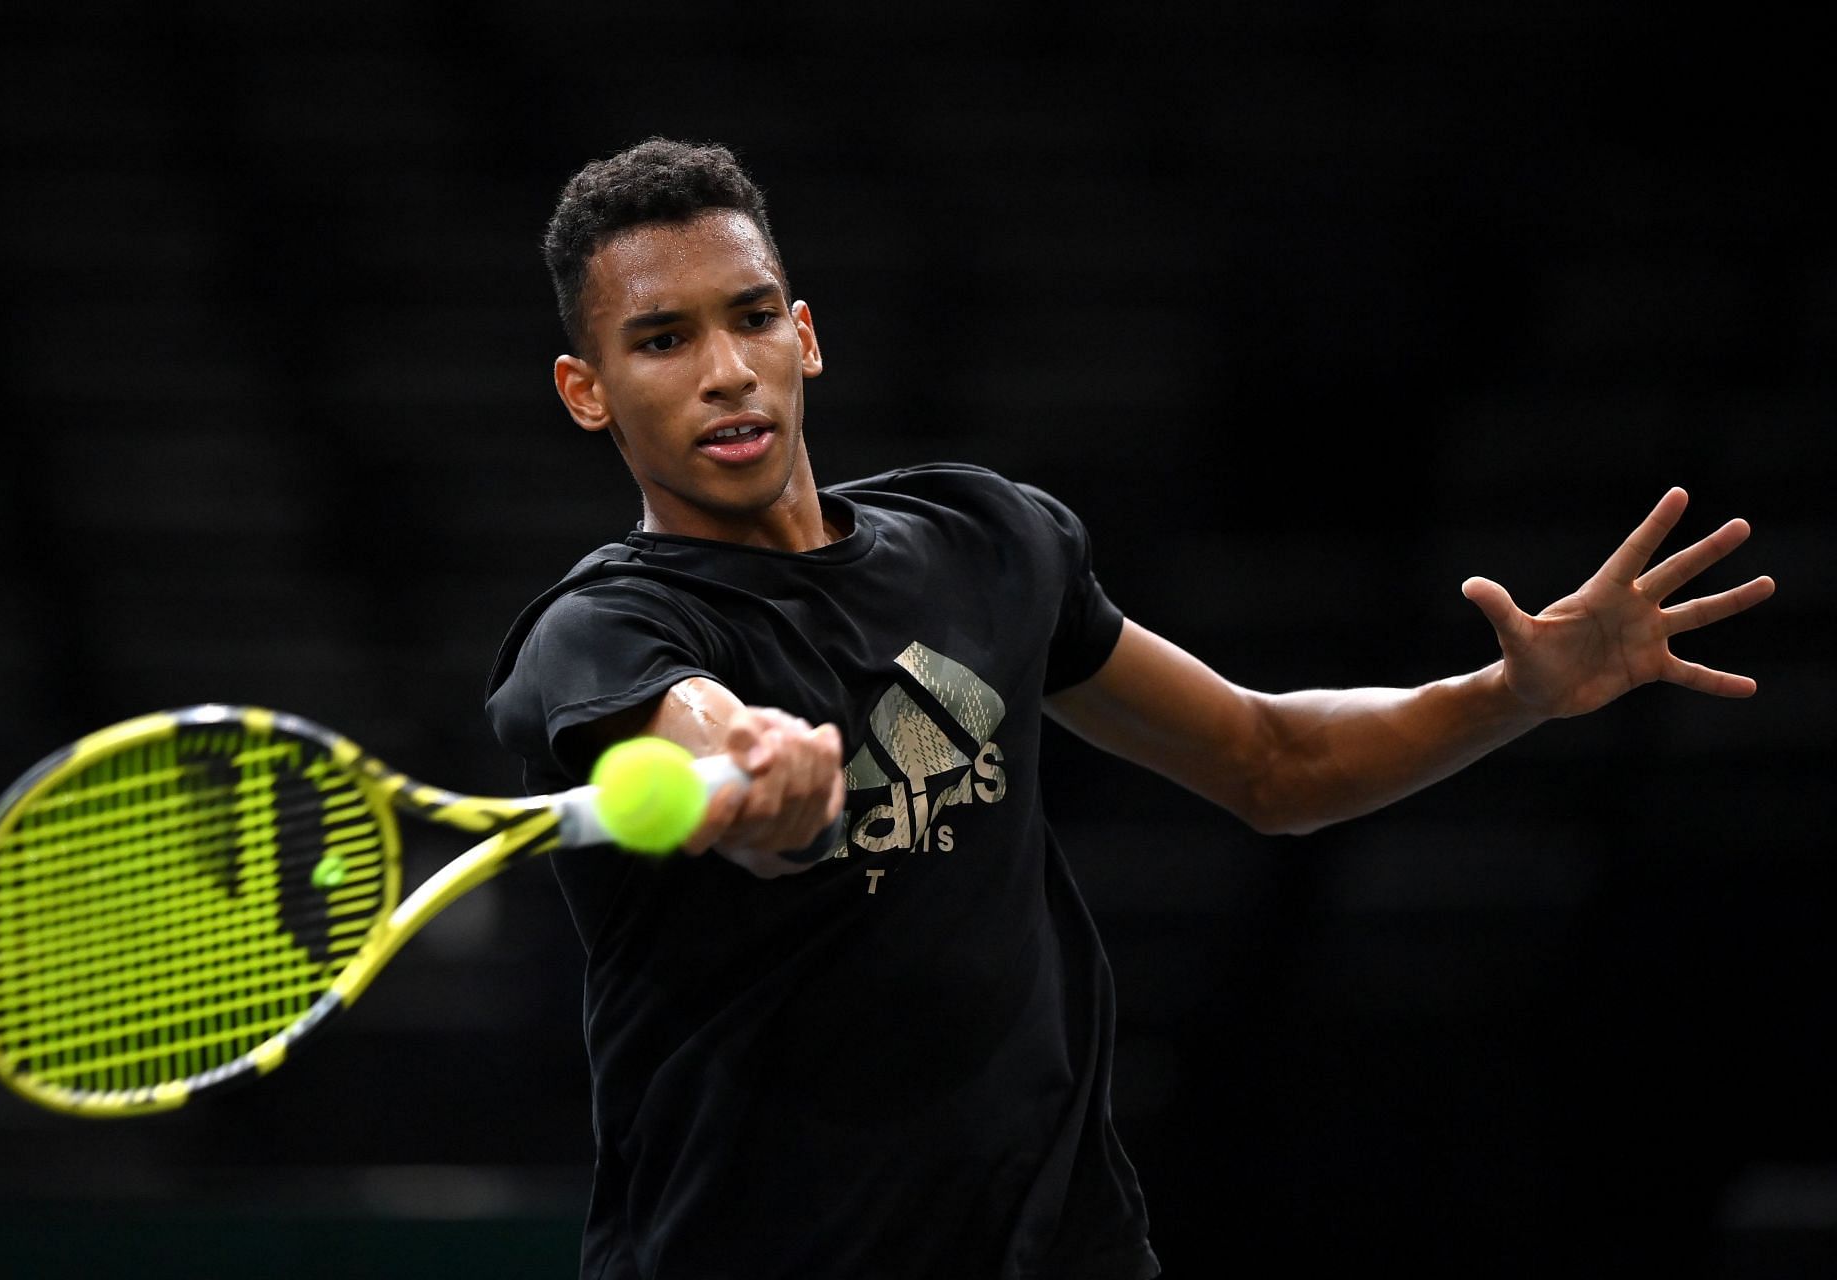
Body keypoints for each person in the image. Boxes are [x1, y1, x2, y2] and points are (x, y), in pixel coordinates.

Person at [483, 138, 1773, 1280]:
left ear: (804, 336)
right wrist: (758, 772)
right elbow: (701, 740)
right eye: (662, 341)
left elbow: (1271, 762)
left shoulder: (985, 542)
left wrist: (1511, 694)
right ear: (584, 389)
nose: (725, 371)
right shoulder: (602, 632)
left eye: (750, 318)